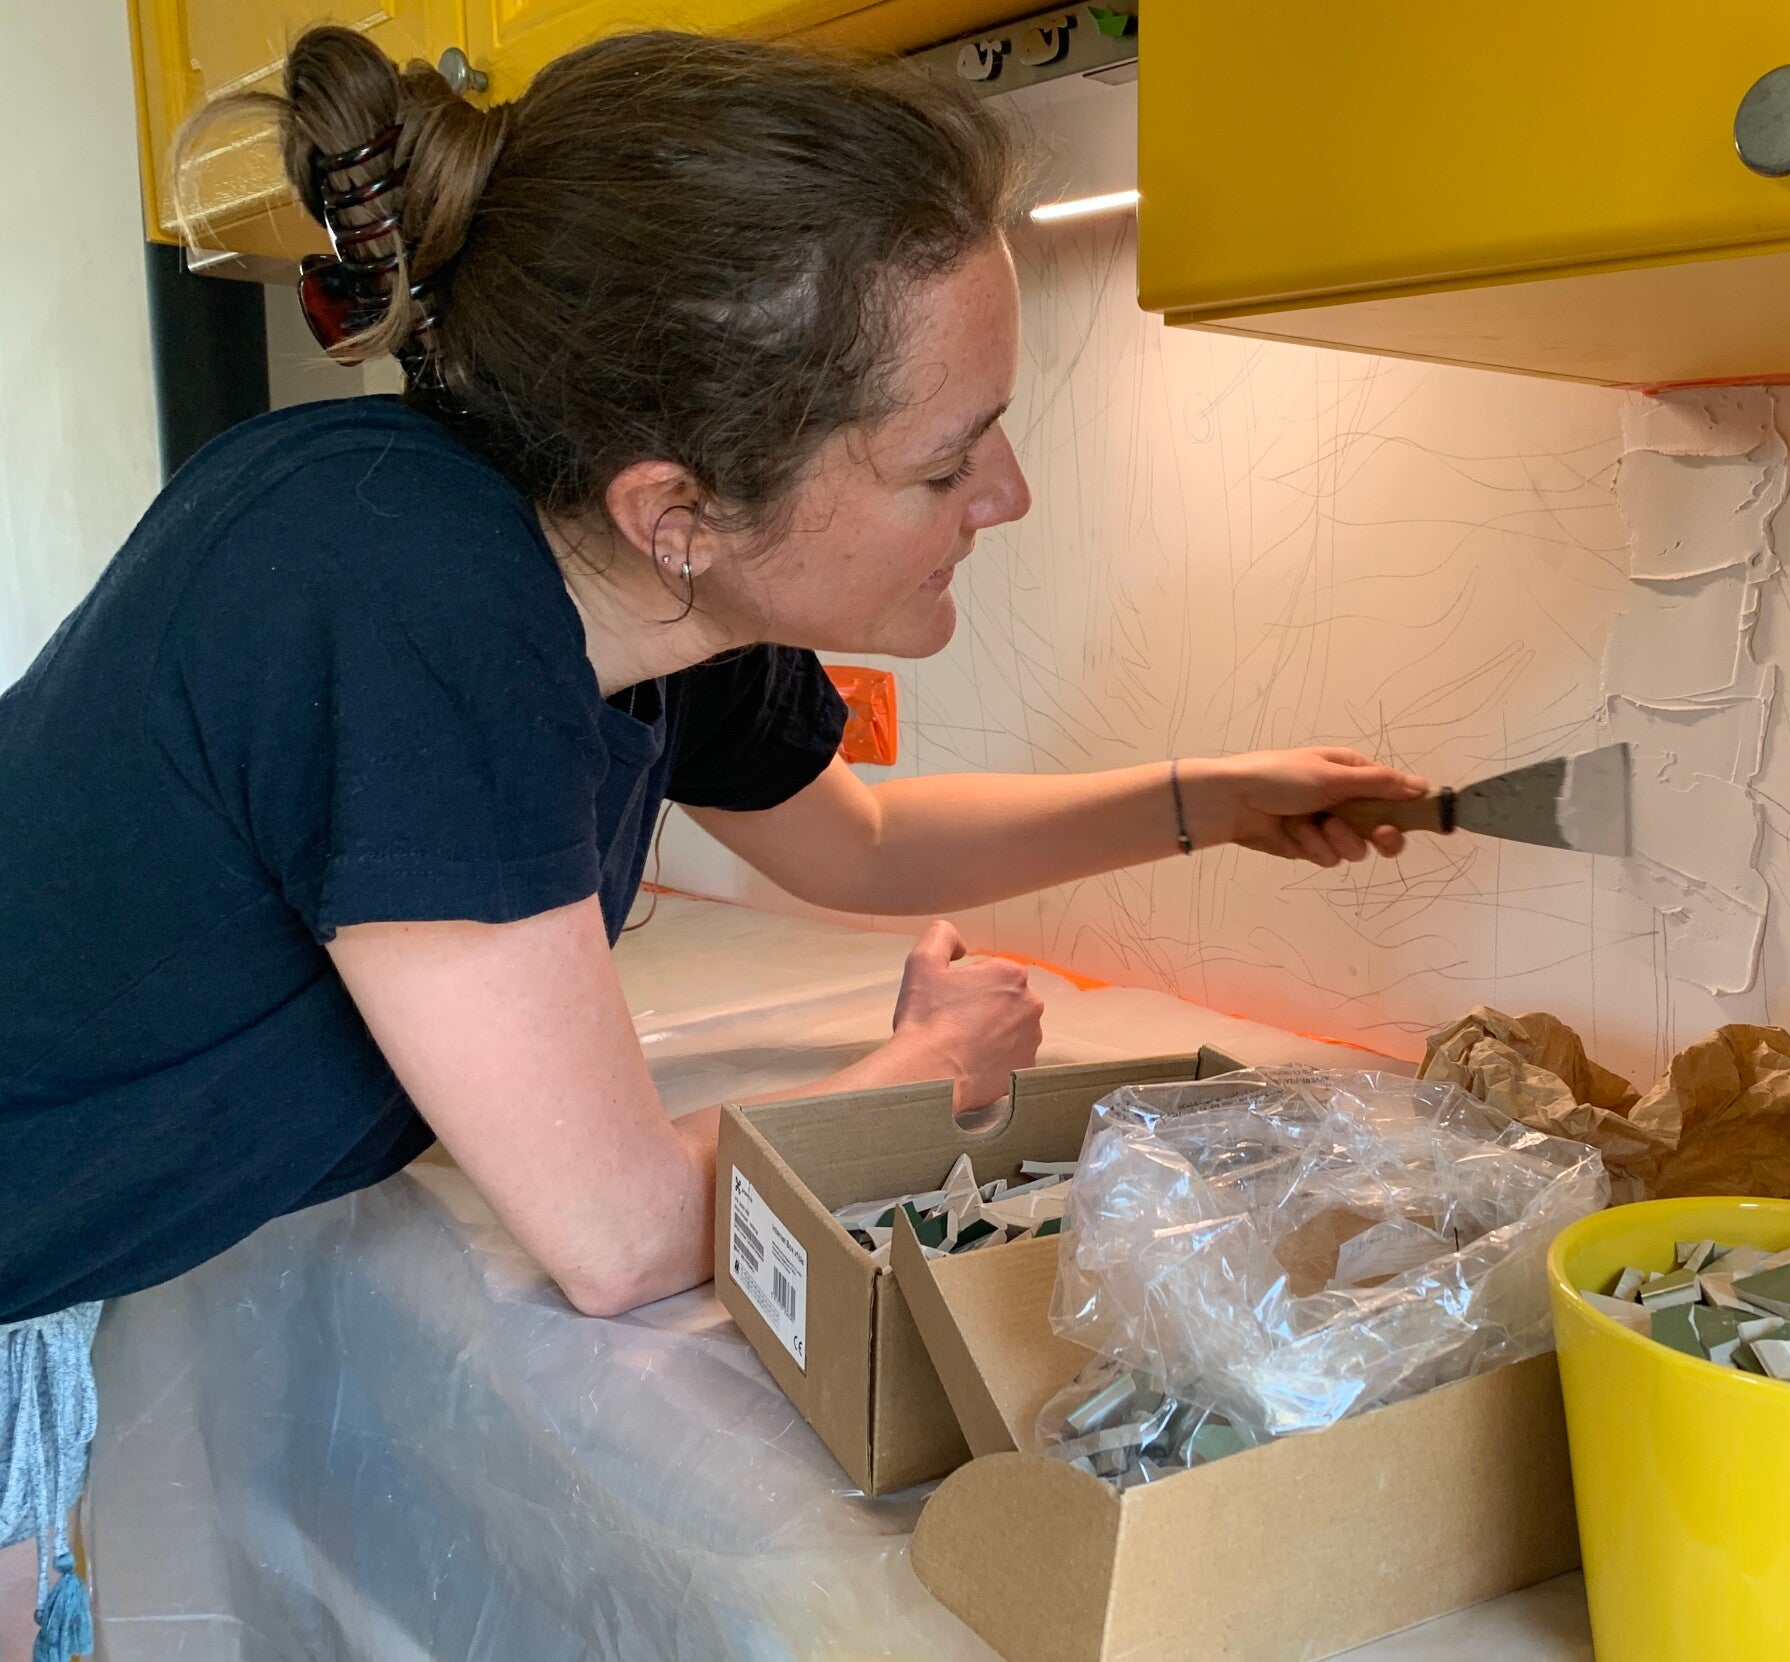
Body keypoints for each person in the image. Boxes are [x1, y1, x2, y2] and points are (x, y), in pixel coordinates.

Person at [0, 25, 1427, 1652]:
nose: (1008, 493)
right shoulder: (408, 598)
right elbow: (613, 1236)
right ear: (674, 509)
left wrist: (1208, 801)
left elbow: (857, 844)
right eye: (946, 460)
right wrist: (917, 1076)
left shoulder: (646, 594)